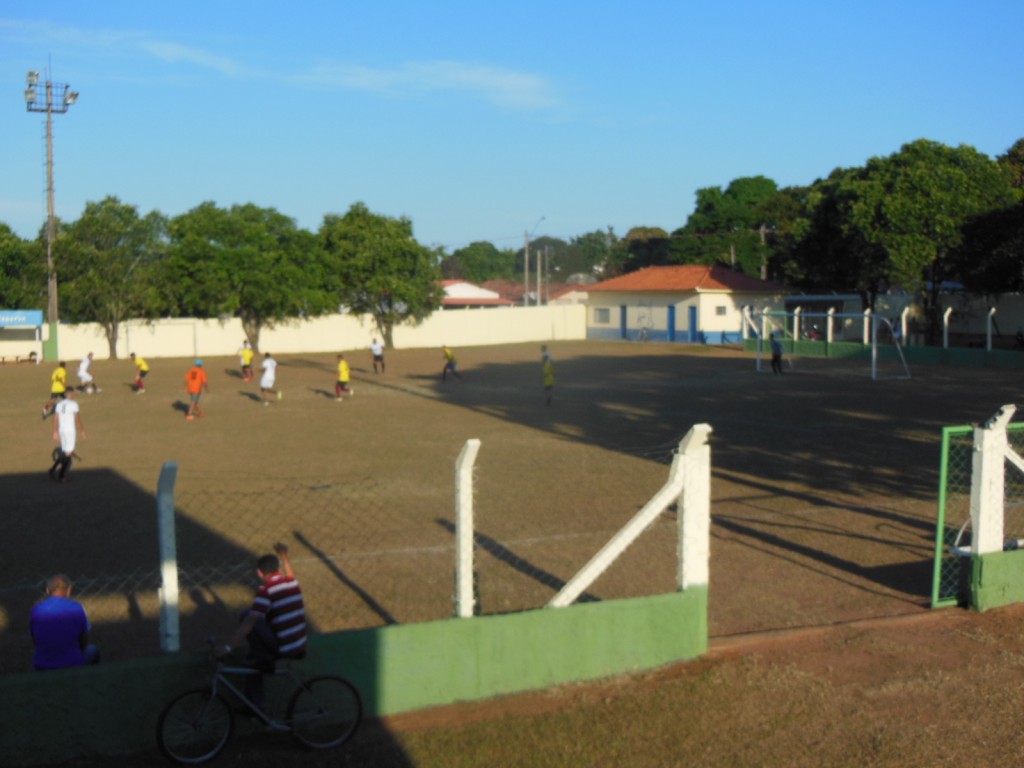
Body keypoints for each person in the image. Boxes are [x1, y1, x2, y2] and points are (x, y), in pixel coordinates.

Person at [216, 543, 306, 710]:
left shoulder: (266, 591)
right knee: (253, 662)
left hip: (284, 647)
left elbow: (249, 623)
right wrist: (284, 557)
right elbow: (291, 573)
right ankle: (255, 707)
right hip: (299, 641)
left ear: (259, 573)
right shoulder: (292, 583)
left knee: (247, 616)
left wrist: (228, 647)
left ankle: (264, 663)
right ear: (279, 570)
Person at [30, 574, 100, 671]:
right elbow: (83, 641)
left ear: (47, 590)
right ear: (69, 590)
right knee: (93, 650)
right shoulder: (77, 608)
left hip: (42, 665)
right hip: (73, 664)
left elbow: (35, 641)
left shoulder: (36, 610)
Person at [50, 389, 85, 481]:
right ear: (70, 394)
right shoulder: (74, 404)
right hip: (70, 431)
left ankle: (52, 470)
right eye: (73, 393)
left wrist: (55, 431)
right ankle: (61, 476)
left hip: (62, 430)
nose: (75, 394)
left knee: (65, 452)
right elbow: (78, 420)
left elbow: (56, 418)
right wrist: (82, 431)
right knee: (68, 455)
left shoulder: (59, 404)